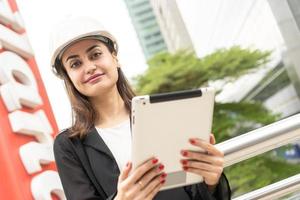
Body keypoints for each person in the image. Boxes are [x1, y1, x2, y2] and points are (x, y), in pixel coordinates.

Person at [51, 16, 231, 200]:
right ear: (69, 78)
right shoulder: (68, 145)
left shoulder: (162, 115)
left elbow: (195, 193)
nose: (89, 67)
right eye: (75, 64)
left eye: (95, 54)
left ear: (115, 58)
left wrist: (211, 181)